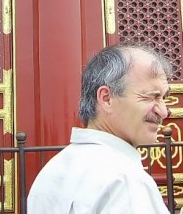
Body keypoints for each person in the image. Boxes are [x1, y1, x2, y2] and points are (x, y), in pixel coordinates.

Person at [28, 44, 171, 213]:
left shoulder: (50, 172)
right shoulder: (125, 180)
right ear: (106, 98)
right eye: (151, 97)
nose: (163, 111)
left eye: (164, 97)